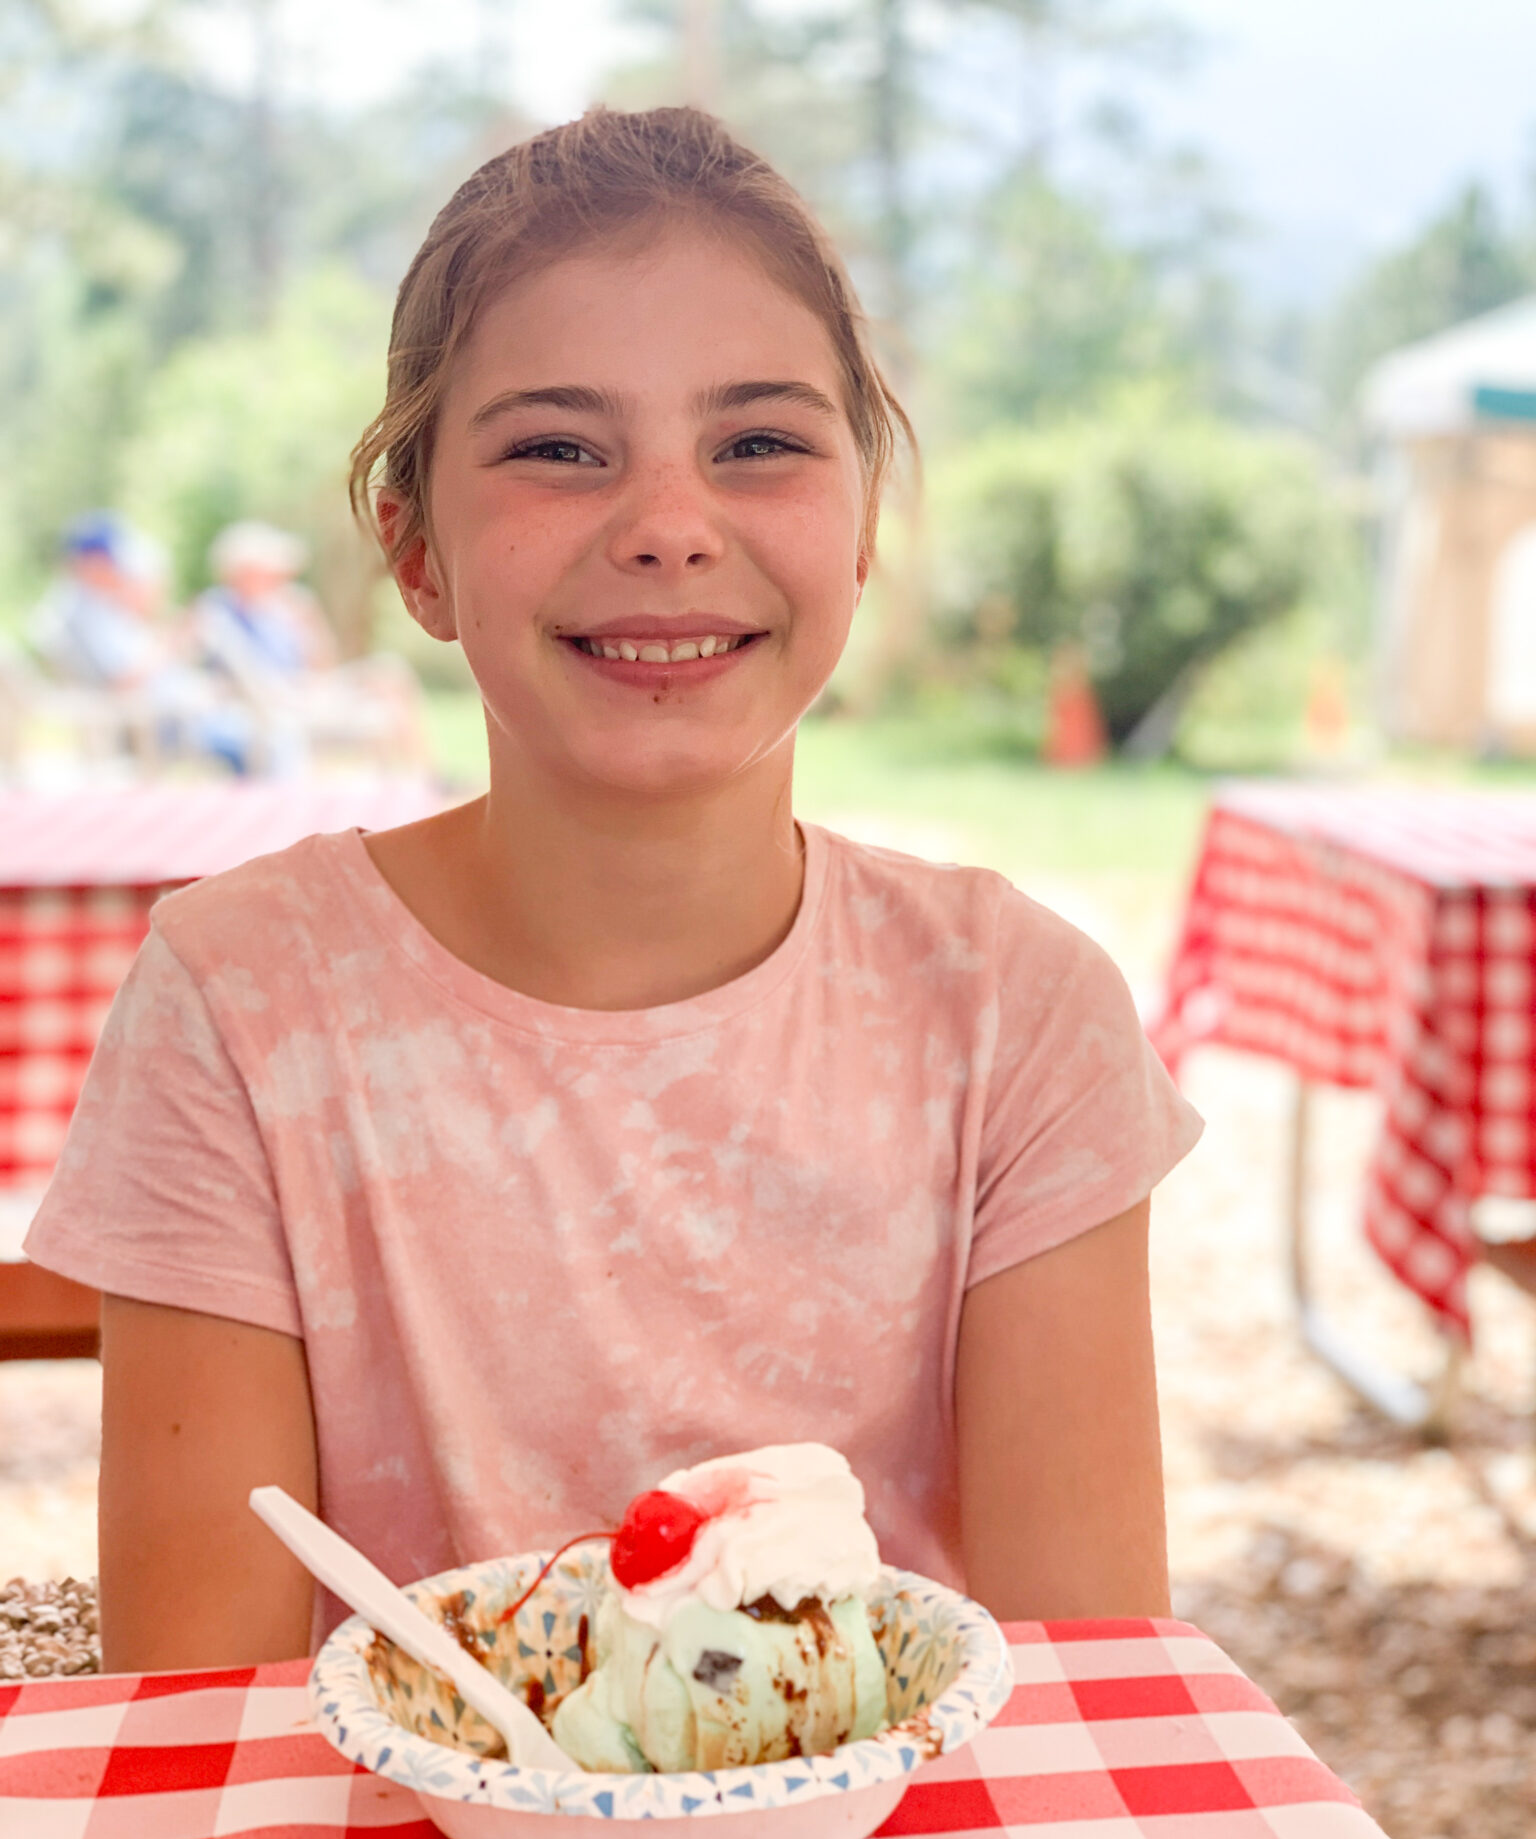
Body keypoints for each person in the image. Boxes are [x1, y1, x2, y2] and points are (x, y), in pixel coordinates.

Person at [24, 108, 1202, 1673]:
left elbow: (1090, 1693)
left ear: (863, 534)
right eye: (558, 450)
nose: (666, 527)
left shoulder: (1013, 1011)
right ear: (416, 548)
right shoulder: (244, 1000)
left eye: (761, 444)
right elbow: (196, 1713)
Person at [191, 520, 431, 775]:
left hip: (308, 685)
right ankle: (415, 780)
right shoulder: (218, 611)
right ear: (244, 573)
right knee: (383, 706)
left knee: (390, 671)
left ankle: (425, 774)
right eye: (270, 571)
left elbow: (322, 663)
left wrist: (308, 623)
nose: (281, 578)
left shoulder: (284, 607)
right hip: (280, 700)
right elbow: (232, 675)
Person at [27, 513, 255, 774]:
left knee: (259, 724)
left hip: (166, 715)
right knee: (264, 740)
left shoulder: (93, 606)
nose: (119, 570)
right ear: (92, 562)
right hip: (153, 724)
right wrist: (170, 642)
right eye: (113, 561)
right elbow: (123, 680)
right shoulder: (81, 612)